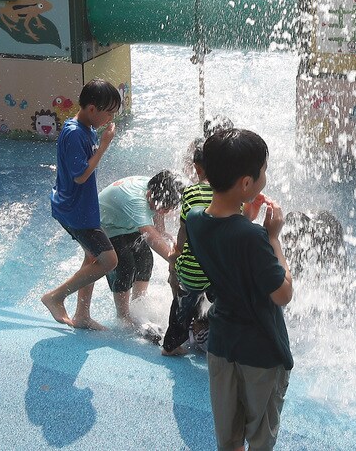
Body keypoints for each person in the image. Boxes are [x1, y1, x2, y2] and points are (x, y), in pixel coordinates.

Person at [185, 128, 294, 451]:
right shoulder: (253, 238)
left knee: (229, 439)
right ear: (246, 183)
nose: (265, 177)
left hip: (221, 345)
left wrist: (245, 216)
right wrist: (272, 238)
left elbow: (225, 247)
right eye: (263, 171)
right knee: (260, 438)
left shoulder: (194, 219)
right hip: (260, 350)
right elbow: (282, 294)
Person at [40, 78, 122, 330]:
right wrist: (104, 146)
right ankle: (56, 297)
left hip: (80, 207)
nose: (110, 118)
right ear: (92, 109)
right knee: (109, 260)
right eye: (108, 113)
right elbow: (81, 175)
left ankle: (82, 315)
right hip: (75, 211)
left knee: (92, 256)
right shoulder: (75, 133)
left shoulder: (87, 128)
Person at [98, 171, 183, 329]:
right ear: (149, 194)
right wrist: (174, 260)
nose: (163, 212)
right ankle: (123, 315)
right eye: (163, 208)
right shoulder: (135, 200)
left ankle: (138, 307)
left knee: (145, 259)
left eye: (167, 209)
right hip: (105, 226)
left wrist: (162, 231)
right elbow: (149, 235)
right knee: (125, 265)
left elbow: (158, 213)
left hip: (126, 223)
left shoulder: (157, 190)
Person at [163, 131, 219, 355]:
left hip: (192, 270)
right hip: (220, 270)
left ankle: (172, 346)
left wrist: (175, 255)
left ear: (197, 168)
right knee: (224, 304)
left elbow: (183, 230)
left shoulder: (191, 192)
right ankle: (217, 339)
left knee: (182, 305)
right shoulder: (231, 196)